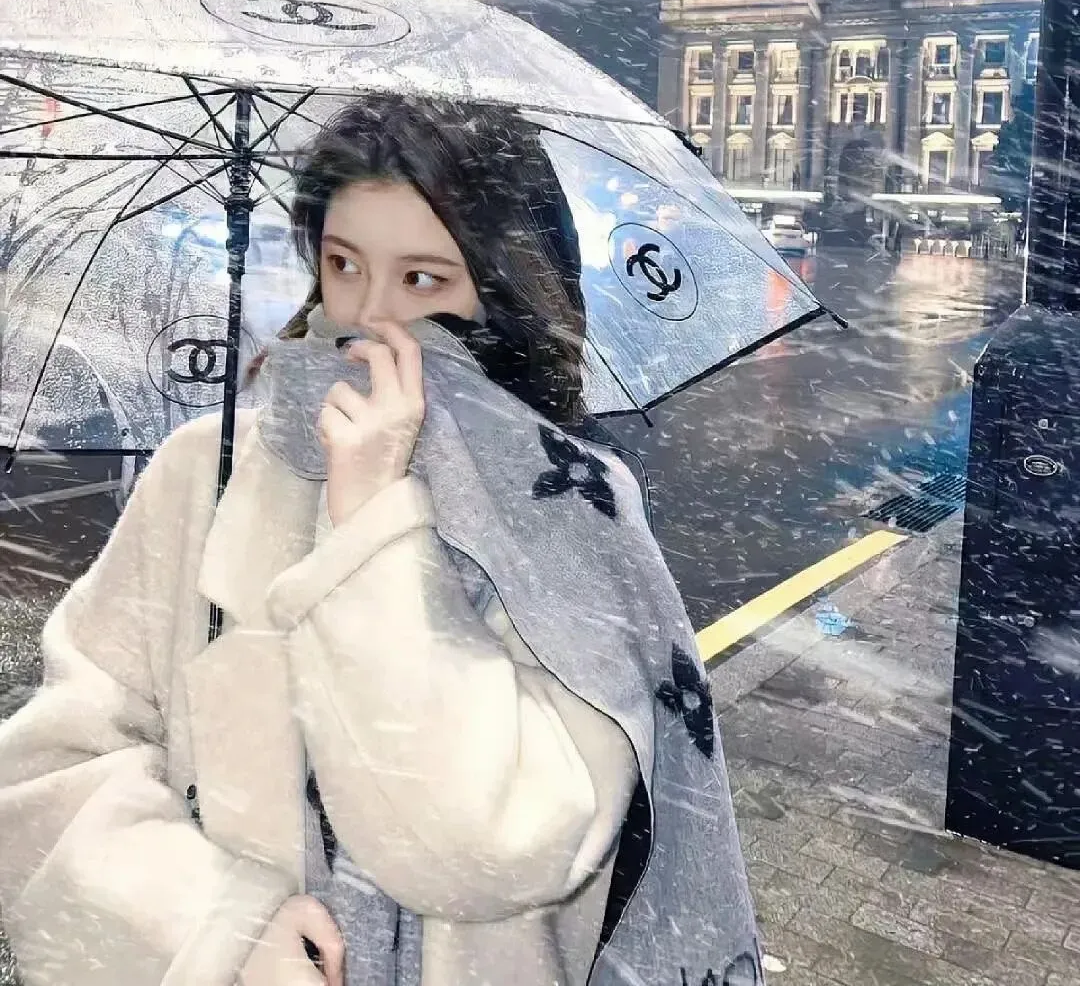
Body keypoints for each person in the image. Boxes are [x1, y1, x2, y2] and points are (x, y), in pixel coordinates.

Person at [0, 96, 763, 986]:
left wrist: (369, 524)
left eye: (423, 280)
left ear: (505, 291)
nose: (368, 315)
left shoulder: (574, 509)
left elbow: (492, 847)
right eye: (343, 264)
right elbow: (54, 766)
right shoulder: (207, 470)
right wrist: (217, 925)